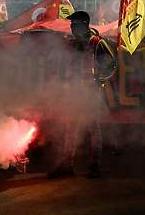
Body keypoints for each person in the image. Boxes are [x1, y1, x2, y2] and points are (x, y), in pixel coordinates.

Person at [48, 10, 117, 179]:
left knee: (93, 129)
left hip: (90, 92)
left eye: (75, 25)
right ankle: (66, 165)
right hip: (73, 92)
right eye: (71, 25)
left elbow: (112, 64)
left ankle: (95, 166)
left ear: (84, 26)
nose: (71, 28)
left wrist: (99, 80)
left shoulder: (97, 43)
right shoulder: (71, 45)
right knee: (70, 128)